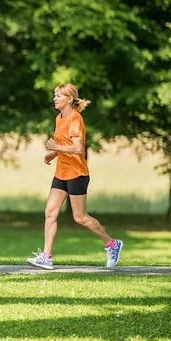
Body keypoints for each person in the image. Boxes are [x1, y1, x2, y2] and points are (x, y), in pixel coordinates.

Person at [26, 84, 123, 270]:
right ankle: (46, 256)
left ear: (69, 99)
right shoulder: (59, 118)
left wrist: (55, 148)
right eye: (54, 95)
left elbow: (79, 148)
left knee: (80, 217)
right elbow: (65, 144)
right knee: (50, 212)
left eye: (58, 96)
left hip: (77, 173)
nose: (54, 98)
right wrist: (53, 154)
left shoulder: (75, 119)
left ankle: (112, 244)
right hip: (61, 172)